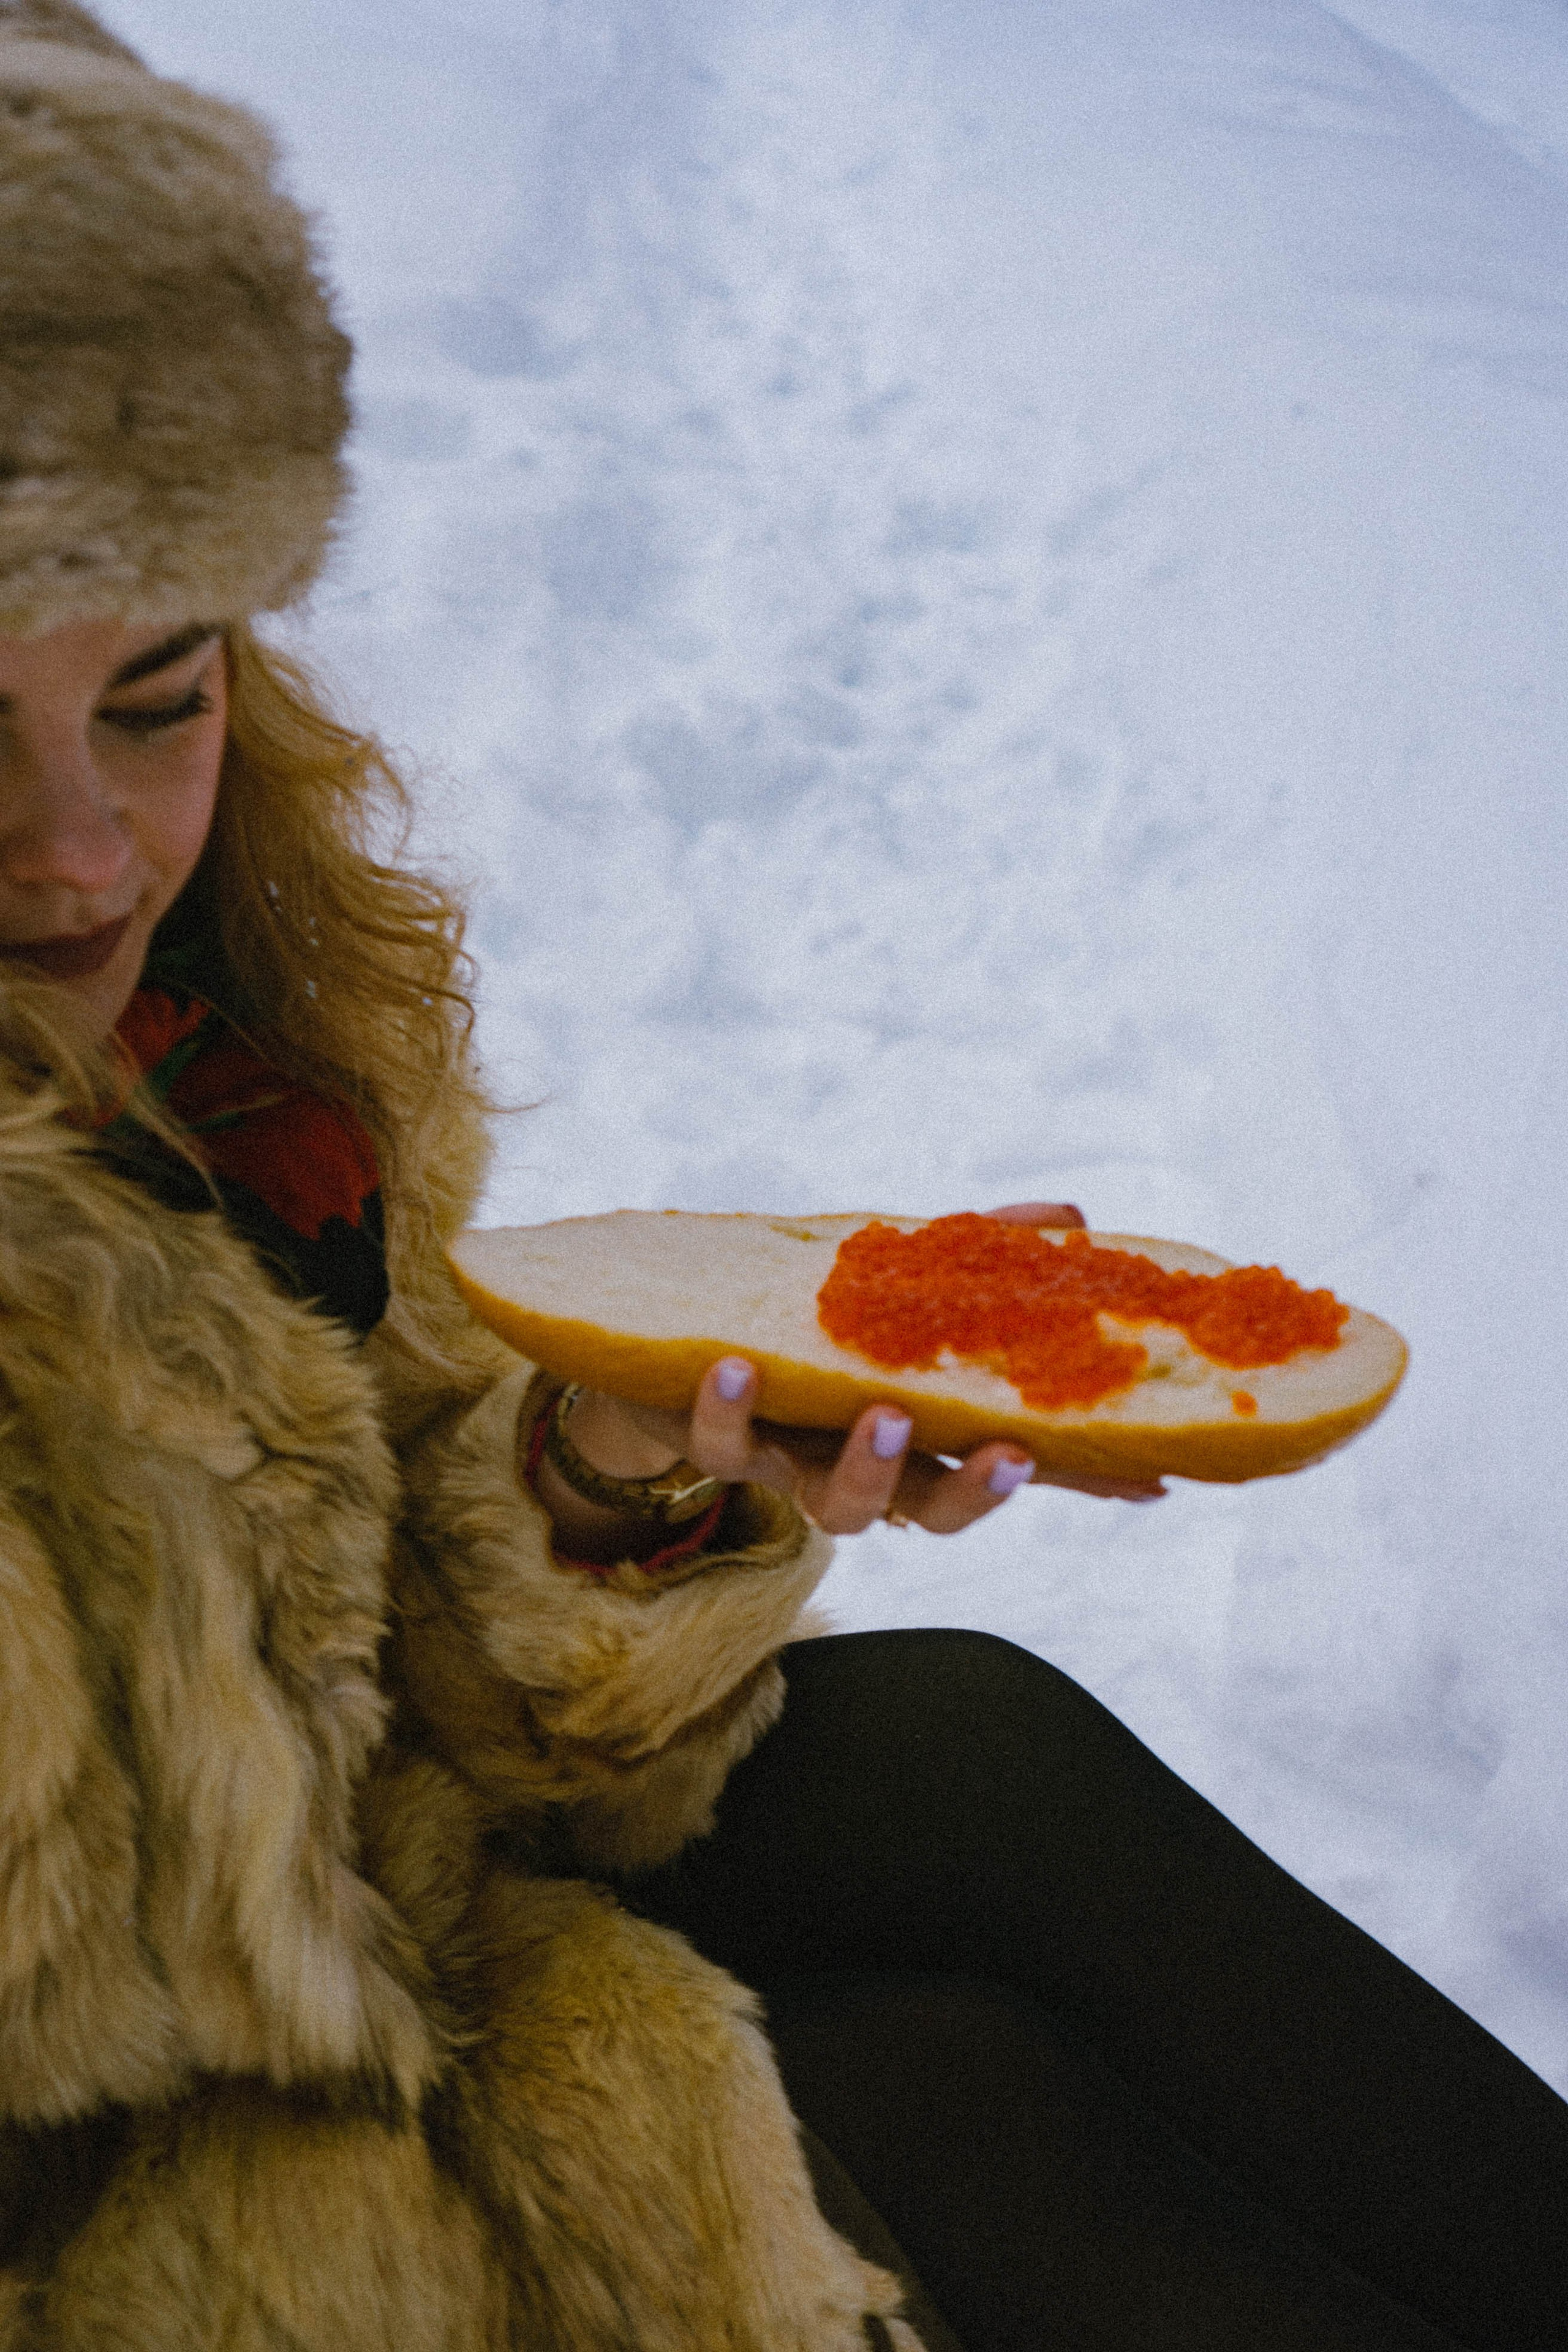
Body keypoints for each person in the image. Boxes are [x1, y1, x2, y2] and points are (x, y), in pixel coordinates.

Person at [2, 8, 1566, 2350]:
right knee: (938, 2106)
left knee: (967, 1756)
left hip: (361, 1938)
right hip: (155, 2229)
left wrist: (604, 1468)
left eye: (162, 692)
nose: (87, 857)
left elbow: (324, 1690)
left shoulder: (236, 1048)